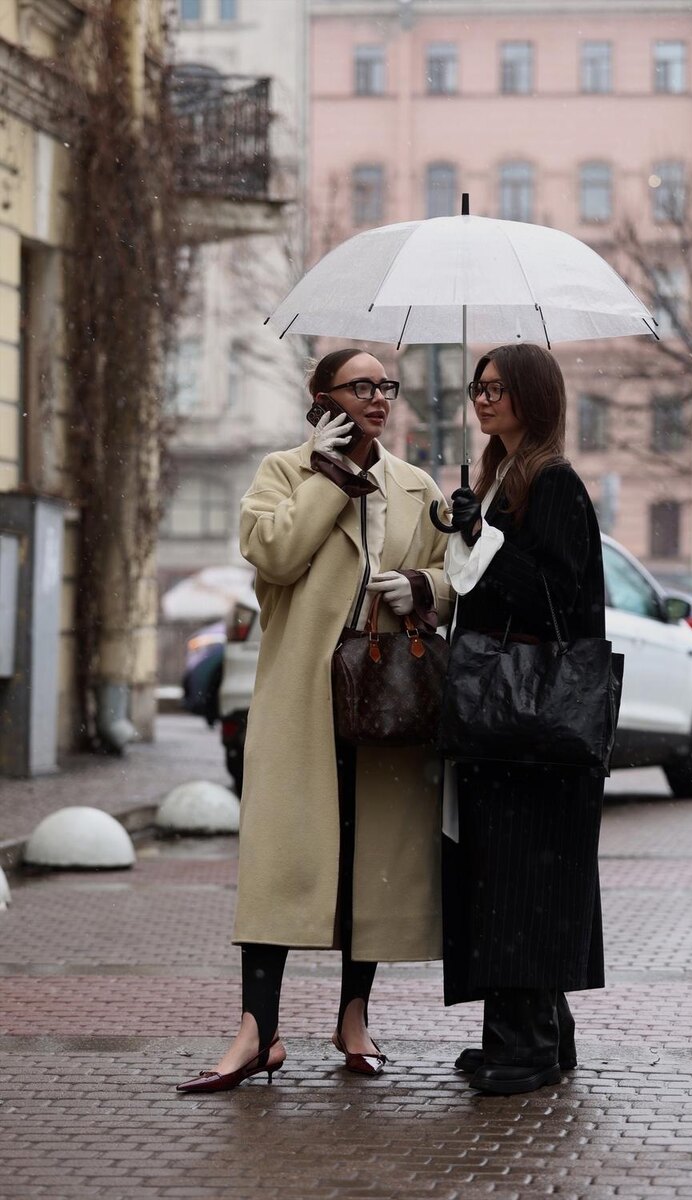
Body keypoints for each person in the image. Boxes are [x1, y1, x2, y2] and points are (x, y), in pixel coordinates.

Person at [177, 348, 452, 1093]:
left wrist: (423, 587)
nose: (378, 399)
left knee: (368, 861)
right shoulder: (283, 473)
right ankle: (257, 1031)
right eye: (362, 386)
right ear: (322, 396)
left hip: (382, 700)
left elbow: (452, 577)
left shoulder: (415, 485)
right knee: (281, 864)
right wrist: (329, 479)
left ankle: (352, 1017)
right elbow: (275, 556)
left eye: (386, 387)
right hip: (301, 701)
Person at [441, 343, 606, 1096]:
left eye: (497, 387)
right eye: (478, 386)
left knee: (520, 879)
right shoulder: (500, 477)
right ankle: (533, 1034)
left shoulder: (557, 484)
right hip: (505, 719)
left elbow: (557, 600)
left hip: (534, 720)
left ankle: (527, 1046)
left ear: (531, 397)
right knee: (503, 878)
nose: (482, 397)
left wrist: (485, 541)